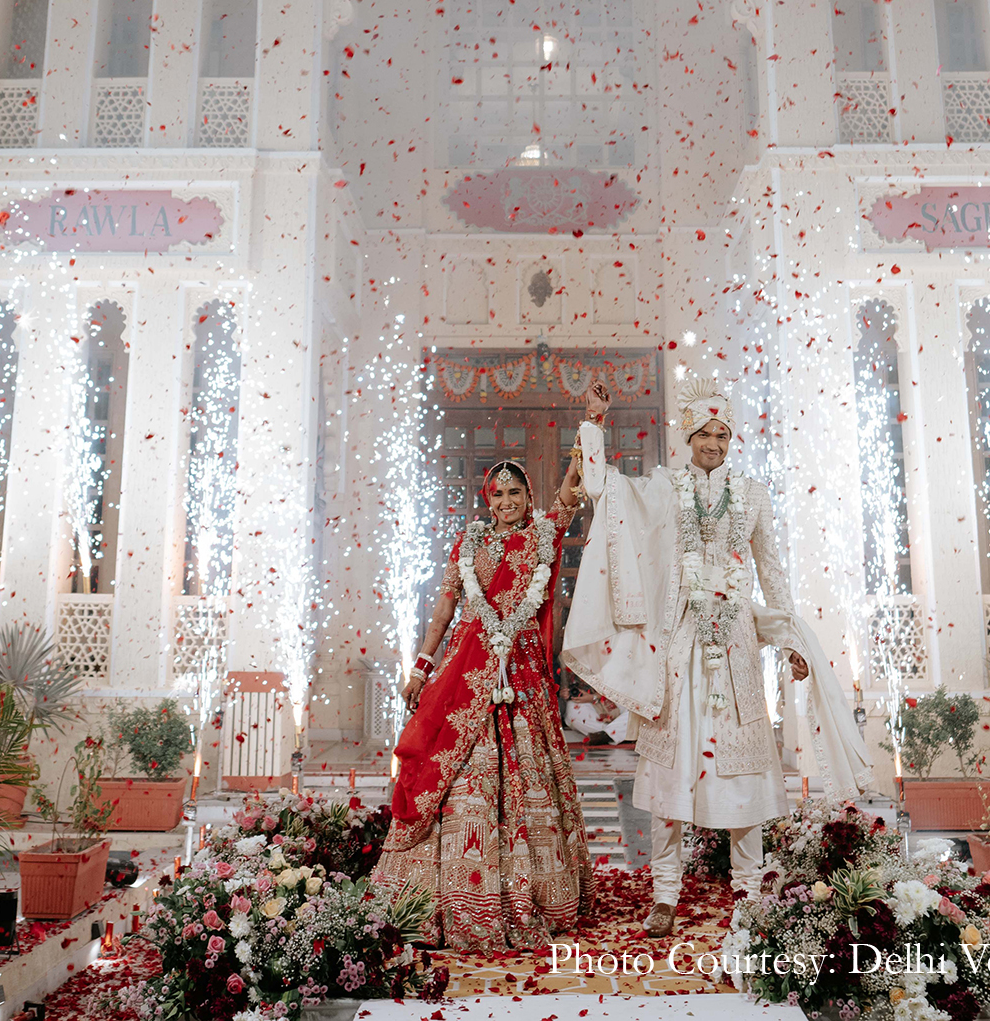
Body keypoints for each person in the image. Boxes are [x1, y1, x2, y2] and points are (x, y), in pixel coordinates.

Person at [562, 374, 873, 938]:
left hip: (735, 652)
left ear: (732, 440)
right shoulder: (664, 488)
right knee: (668, 776)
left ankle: (748, 896)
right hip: (680, 652)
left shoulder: (753, 495)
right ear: (687, 437)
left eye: (722, 435)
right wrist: (595, 422)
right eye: (704, 433)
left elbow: (772, 574)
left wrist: (791, 642)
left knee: (744, 774)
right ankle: (664, 895)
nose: (713, 443)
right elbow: (604, 487)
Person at [371, 447, 596, 953]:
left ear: (527, 497)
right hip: (465, 673)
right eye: (499, 493)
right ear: (487, 499)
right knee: (452, 778)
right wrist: (422, 667)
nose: (507, 501)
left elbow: (565, 500)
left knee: (524, 777)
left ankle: (527, 891)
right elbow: (444, 609)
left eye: (516, 492)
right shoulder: (468, 545)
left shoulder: (540, 537)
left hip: (519, 678)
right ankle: (447, 896)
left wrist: (591, 427)